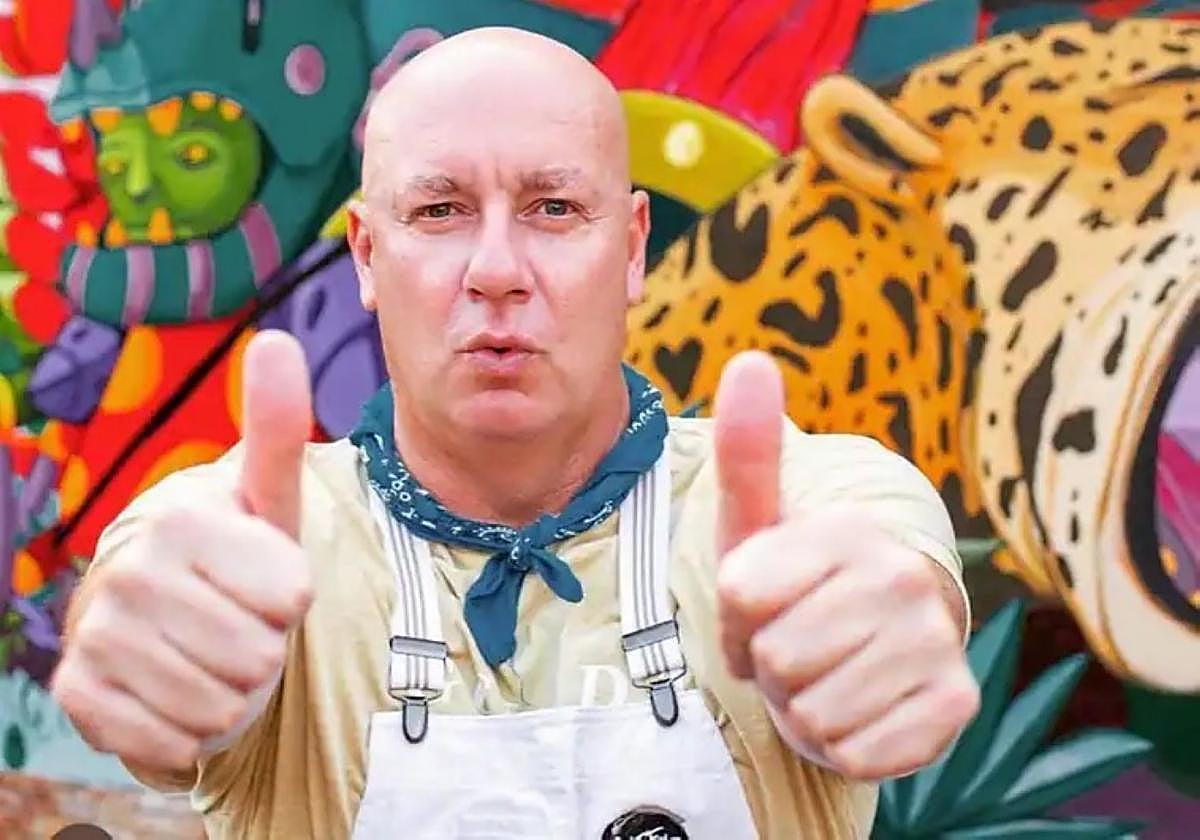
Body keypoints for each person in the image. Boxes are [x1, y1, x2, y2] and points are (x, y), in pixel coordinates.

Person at [50, 26, 979, 840]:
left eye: (554, 209)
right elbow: (149, 582)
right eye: (440, 211)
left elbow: (891, 564)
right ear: (367, 255)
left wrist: (871, 635)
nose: (496, 269)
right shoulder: (258, 539)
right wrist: (146, 645)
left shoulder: (803, 506)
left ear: (632, 248)